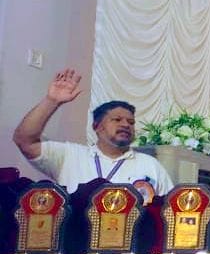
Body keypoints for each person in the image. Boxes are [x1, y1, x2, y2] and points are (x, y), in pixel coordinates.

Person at [13, 68, 174, 196]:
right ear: (97, 126)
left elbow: (169, 212)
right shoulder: (70, 156)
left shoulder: (150, 165)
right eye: (117, 119)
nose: (126, 125)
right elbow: (24, 141)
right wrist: (52, 101)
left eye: (131, 122)